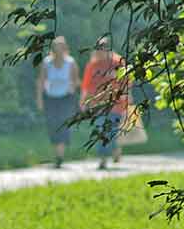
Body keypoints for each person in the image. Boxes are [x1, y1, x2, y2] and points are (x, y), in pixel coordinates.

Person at [81, 35, 131, 169]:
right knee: (101, 129)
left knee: (111, 131)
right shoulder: (93, 64)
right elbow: (86, 86)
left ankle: (114, 150)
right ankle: (103, 159)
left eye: (103, 49)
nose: (100, 52)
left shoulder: (118, 62)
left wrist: (126, 98)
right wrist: (83, 102)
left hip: (115, 104)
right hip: (98, 104)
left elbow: (126, 82)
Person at [35, 35, 82, 167]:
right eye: (56, 46)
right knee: (52, 124)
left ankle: (60, 156)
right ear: (53, 49)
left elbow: (76, 81)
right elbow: (41, 81)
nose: (58, 49)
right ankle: (57, 154)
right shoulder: (47, 62)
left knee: (63, 124)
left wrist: (75, 95)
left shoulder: (70, 62)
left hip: (66, 97)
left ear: (65, 48)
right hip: (50, 98)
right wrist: (39, 99)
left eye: (61, 46)